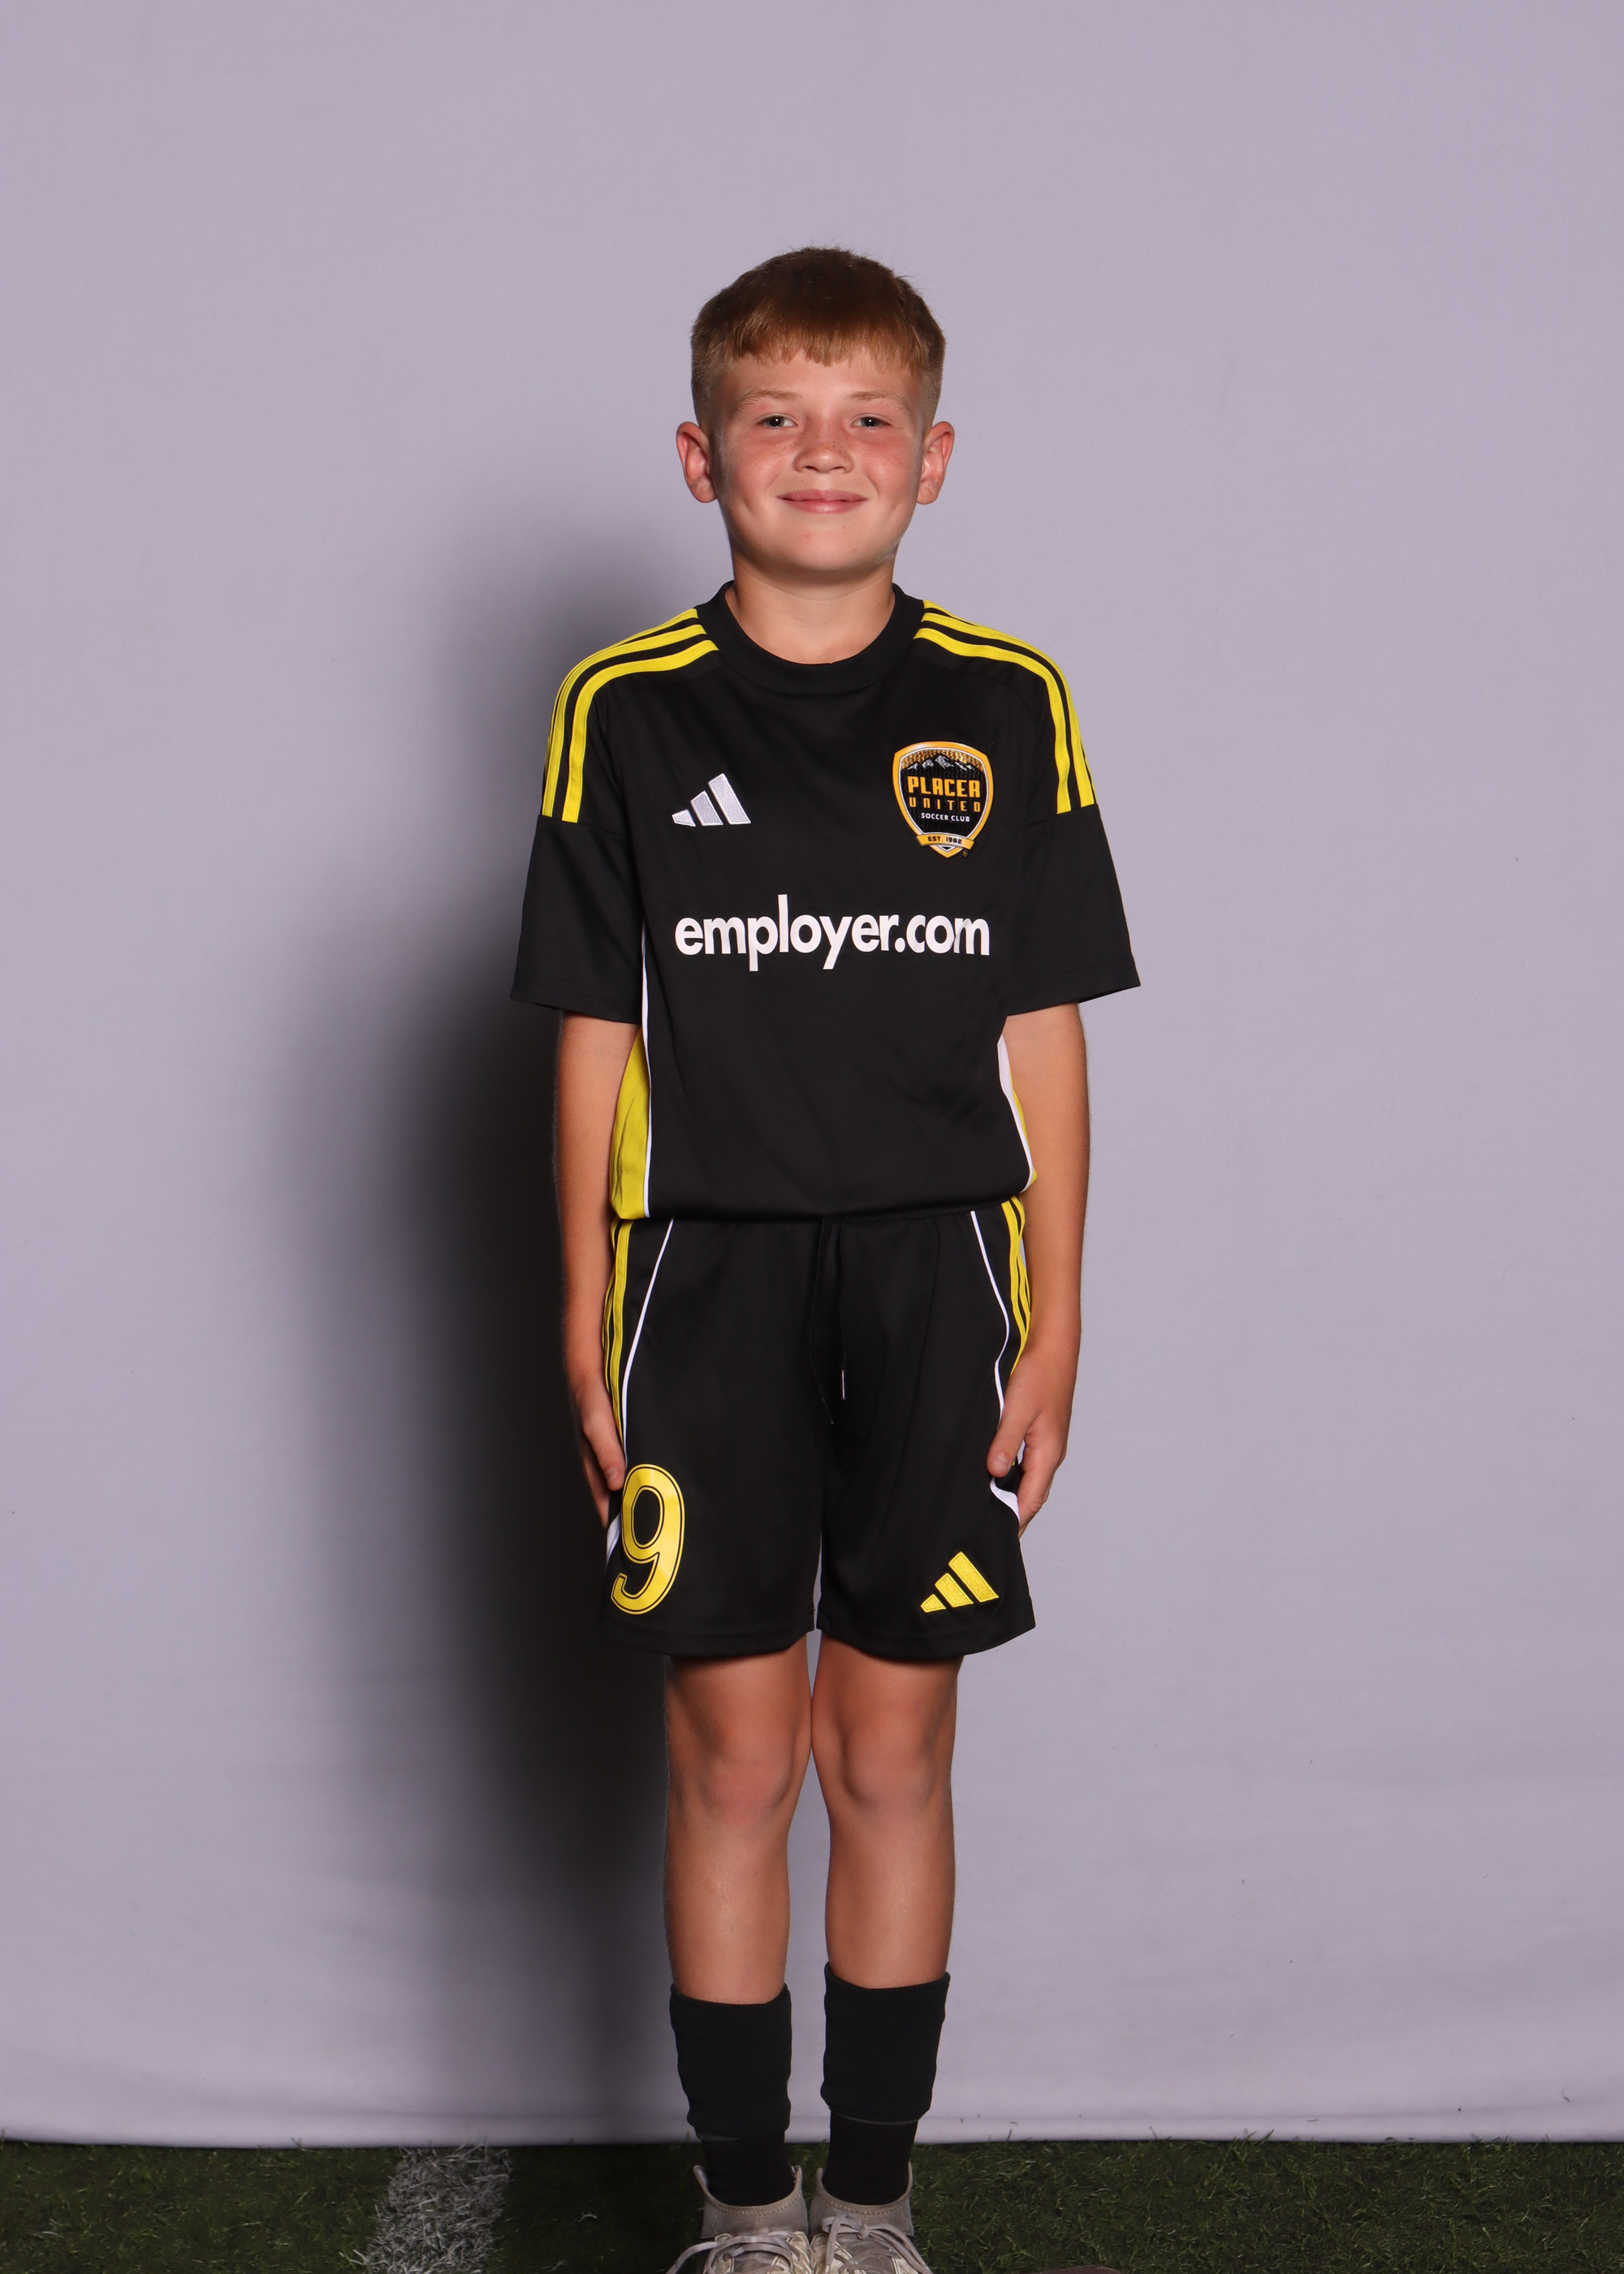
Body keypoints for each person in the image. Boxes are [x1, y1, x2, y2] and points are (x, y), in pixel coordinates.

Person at [512, 247, 1138, 2274]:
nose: (822, 450)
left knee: (894, 1743)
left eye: (869, 417)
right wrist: (582, 1323)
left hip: (935, 1279)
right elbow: (590, 1035)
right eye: (774, 415)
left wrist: (1056, 1322)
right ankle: (742, 2204)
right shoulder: (620, 708)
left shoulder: (1008, 698)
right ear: (699, 454)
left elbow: (1045, 1032)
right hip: (701, 1283)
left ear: (932, 459)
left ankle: (867, 2203)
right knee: (732, 1751)